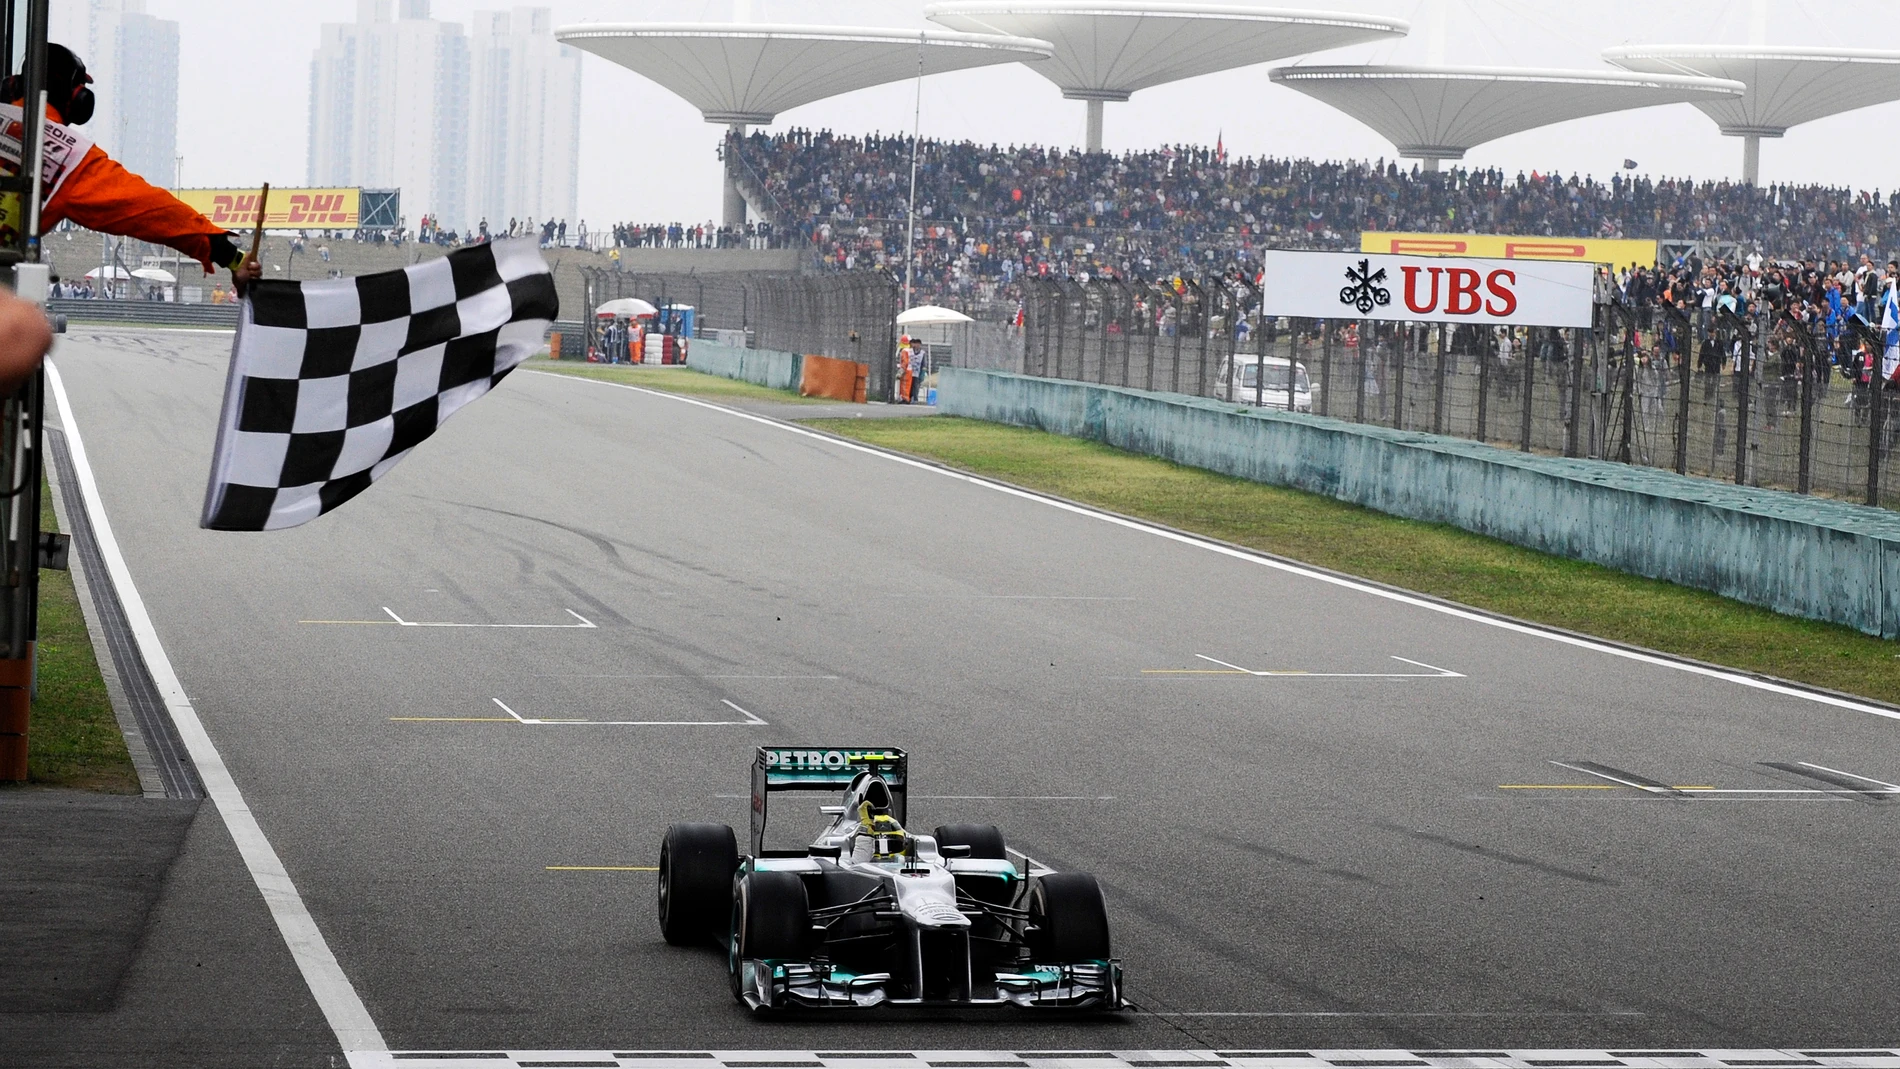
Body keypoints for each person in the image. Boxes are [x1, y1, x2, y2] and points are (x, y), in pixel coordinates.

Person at [4, 44, 260, 295]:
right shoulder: (68, 159)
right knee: (31, 329)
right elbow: (156, 212)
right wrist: (232, 257)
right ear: (76, 97)